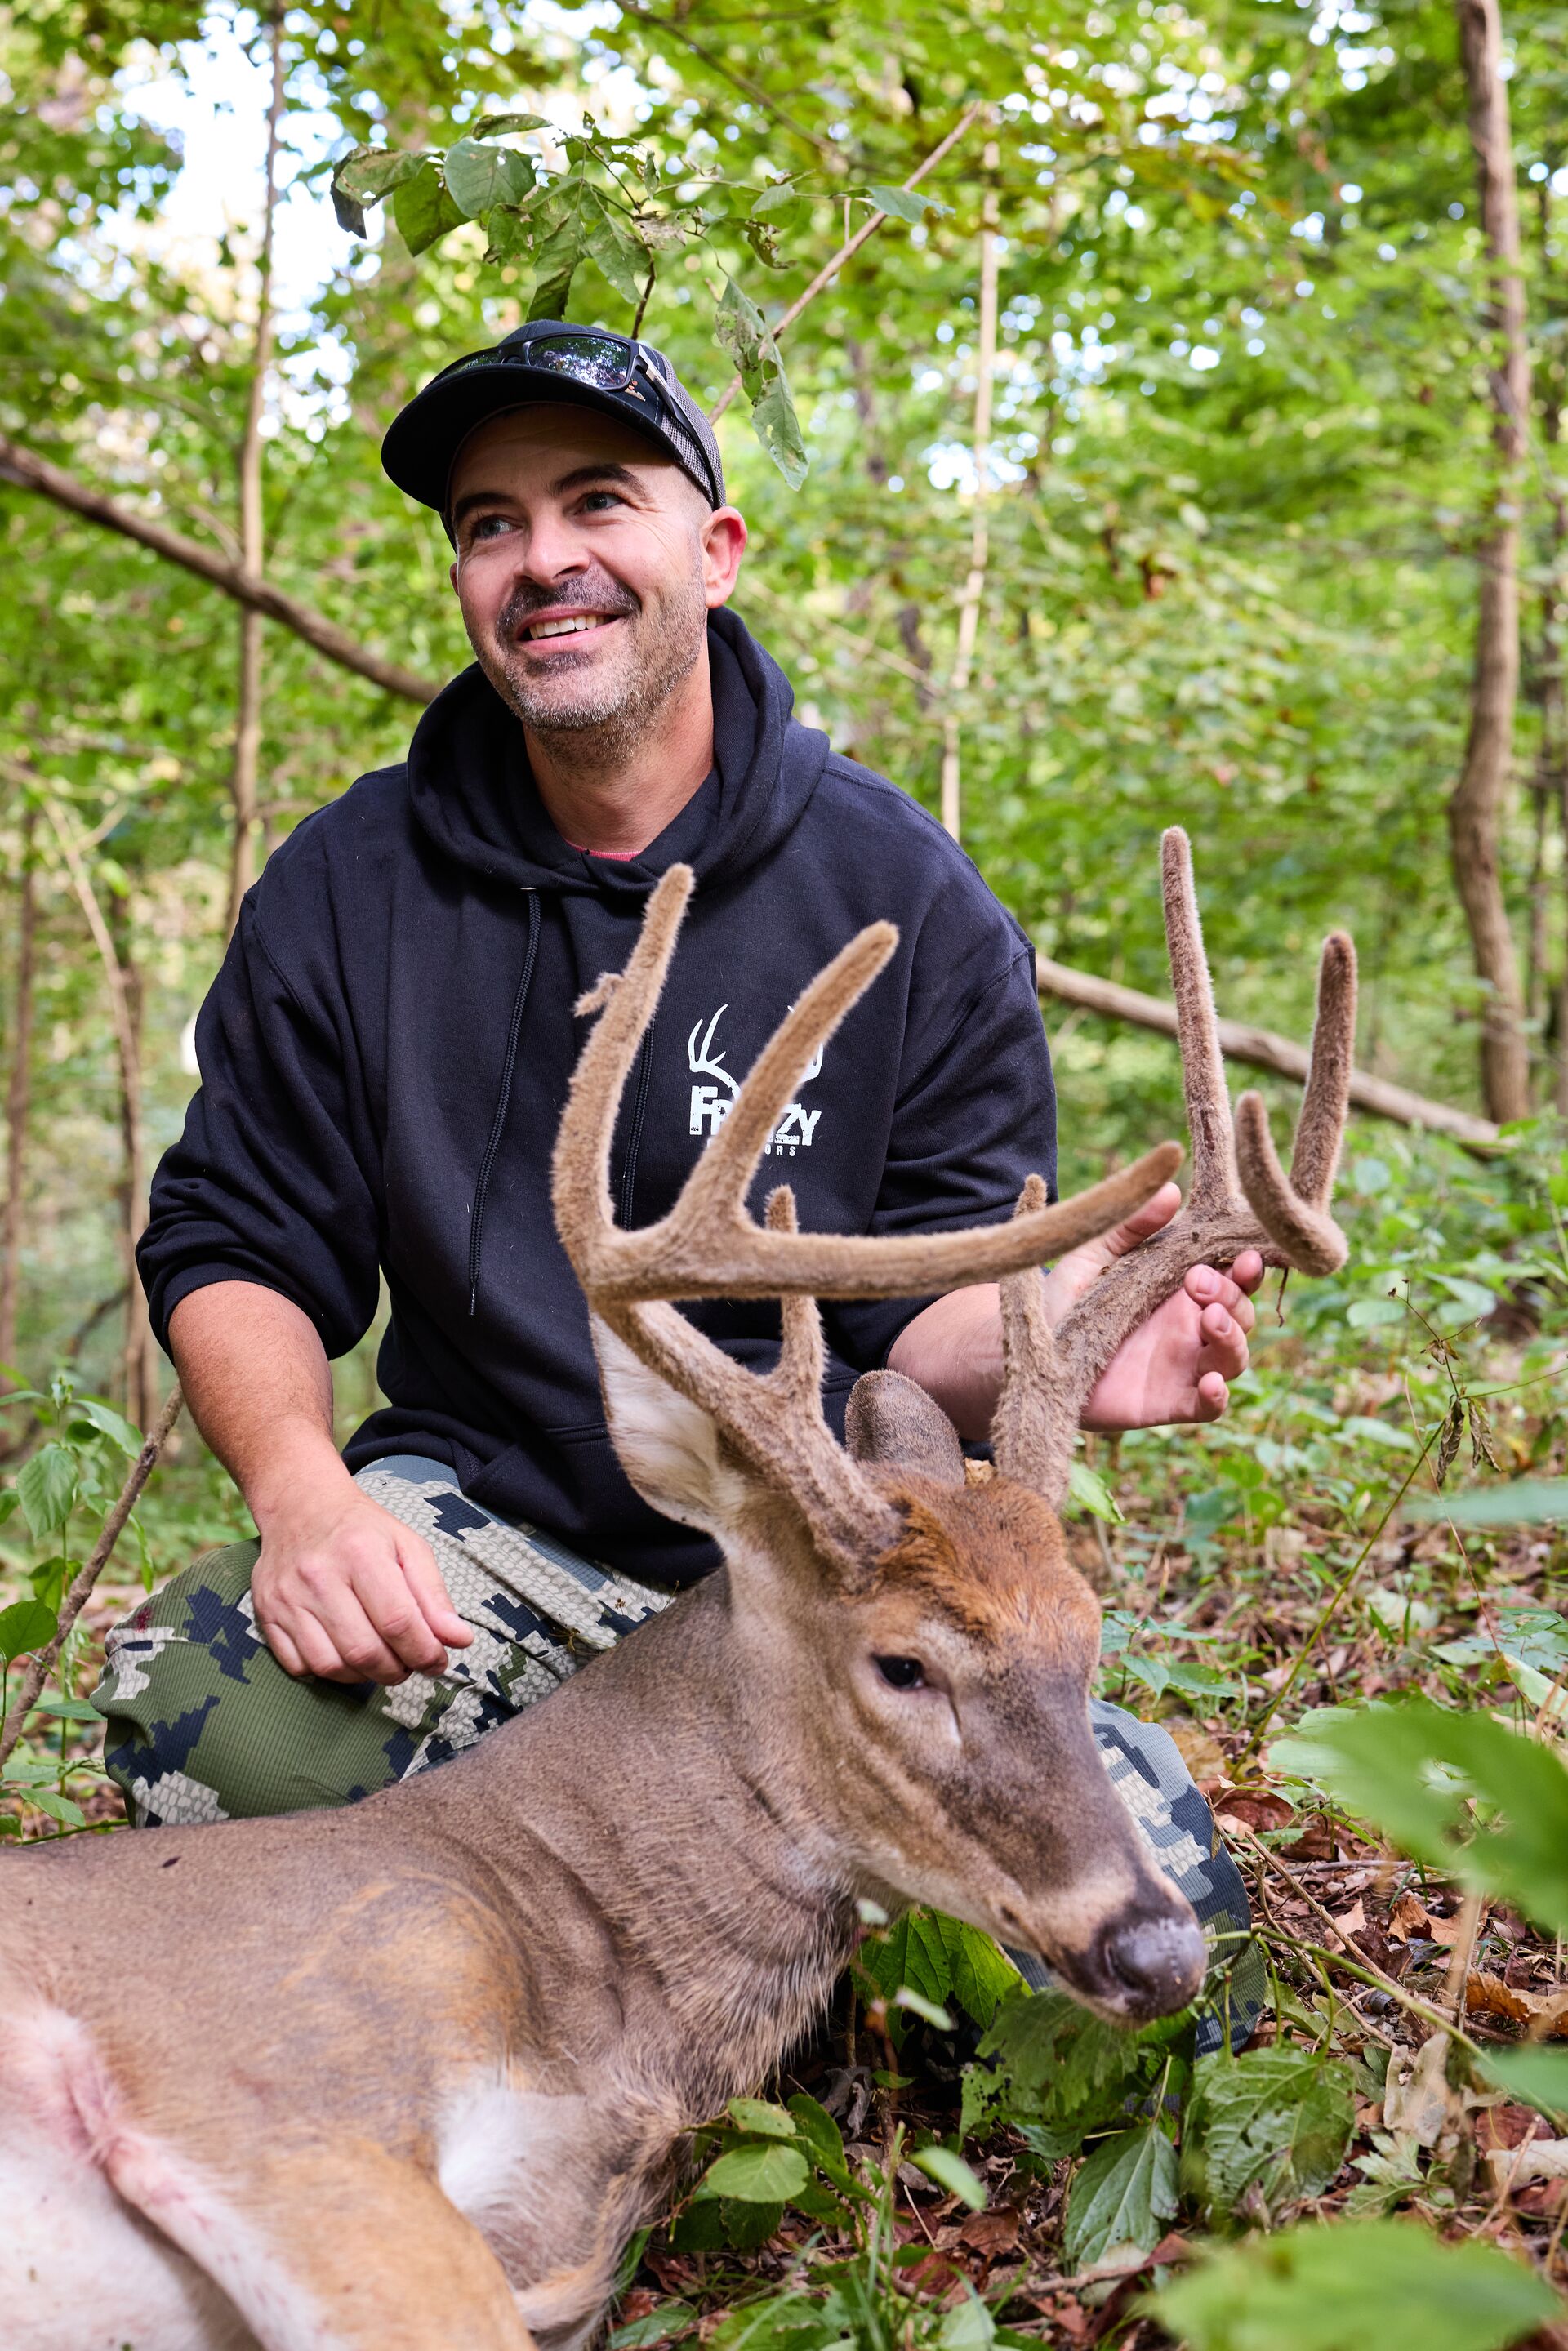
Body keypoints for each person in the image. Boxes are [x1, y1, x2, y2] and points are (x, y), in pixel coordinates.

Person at [94, 322, 1264, 2046]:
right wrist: (301, 1493)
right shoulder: (349, 886)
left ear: (712, 551)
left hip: (840, 1571)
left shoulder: (903, 893)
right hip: (488, 1541)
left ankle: (764, 1966)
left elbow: (941, 1288)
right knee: (212, 1721)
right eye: (491, 524)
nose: (544, 558)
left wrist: (1061, 1356)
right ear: (467, 581)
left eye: (597, 501)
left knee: (1174, 1990)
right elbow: (232, 1235)